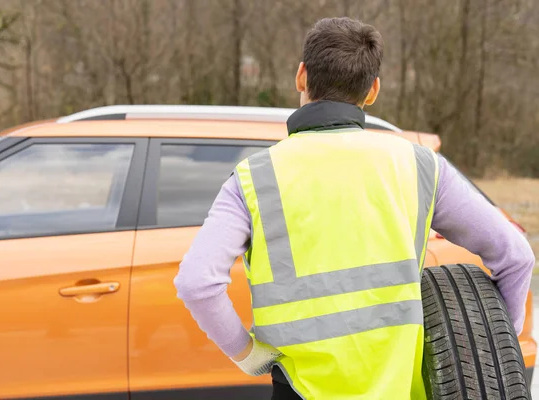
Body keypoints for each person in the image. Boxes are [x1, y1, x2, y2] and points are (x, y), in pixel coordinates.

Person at [174, 17, 535, 399]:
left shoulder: (254, 178)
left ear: (301, 76)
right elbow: (515, 257)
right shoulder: (420, 165)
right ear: (373, 90)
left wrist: (248, 356)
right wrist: (494, 354)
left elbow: (197, 284)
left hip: (299, 390)